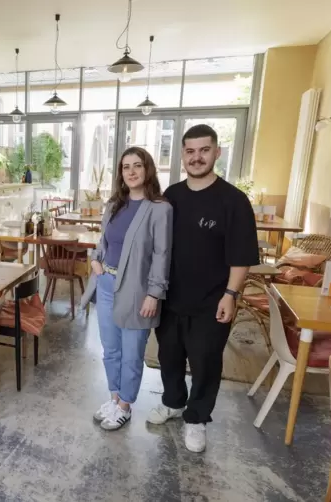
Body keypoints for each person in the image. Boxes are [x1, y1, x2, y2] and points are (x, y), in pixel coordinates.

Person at [147, 124, 259, 452]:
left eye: (204, 150)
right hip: (170, 298)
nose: (197, 157)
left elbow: (241, 257)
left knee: (205, 361)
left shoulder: (234, 201)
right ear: (182, 155)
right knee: (168, 356)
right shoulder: (172, 197)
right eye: (190, 151)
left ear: (216, 152)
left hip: (212, 301)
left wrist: (232, 294)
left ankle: (196, 418)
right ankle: (173, 402)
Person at [81, 147, 173, 431]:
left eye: (137, 165)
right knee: (110, 350)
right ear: (120, 173)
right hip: (106, 283)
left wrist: (154, 294)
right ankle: (113, 398)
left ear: (147, 170)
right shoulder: (114, 205)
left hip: (137, 289)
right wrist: (96, 261)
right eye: (125, 167)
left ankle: (125, 405)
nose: (131, 172)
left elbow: (162, 254)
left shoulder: (160, 209)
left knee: (132, 352)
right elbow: (105, 241)